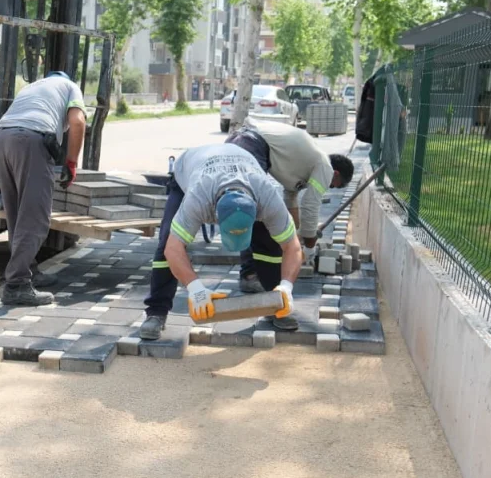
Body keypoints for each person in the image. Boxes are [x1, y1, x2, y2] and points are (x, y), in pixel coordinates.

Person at [140, 143, 301, 340]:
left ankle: (277, 303)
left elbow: (292, 247)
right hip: (190, 170)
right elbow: (173, 250)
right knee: (166, 241)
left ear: (256, 213)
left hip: (242, 166)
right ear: (214, 216)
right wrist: (196, 289)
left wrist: (286, 286)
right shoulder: (198, 199)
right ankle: (156, 312)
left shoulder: (268, 198)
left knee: (270, 244)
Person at [227, 121, 355, 329]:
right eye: (333, 186)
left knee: (252, 214)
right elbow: (310, 205)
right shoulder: (324, 166)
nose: (329, 187)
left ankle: (250, 274)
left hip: (240, 141)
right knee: (262, 227)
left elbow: (291, 198)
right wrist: (309, 246)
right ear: (336, 174)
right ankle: (263, 290)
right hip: (251, 145)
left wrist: (295, 236)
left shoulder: (303, 165)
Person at [0, 70, 87, 306]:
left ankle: (29, 269)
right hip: (30, 140)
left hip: (1, 138)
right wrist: (71, 162)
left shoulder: (32, 87)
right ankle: (17, 285)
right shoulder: (70, 87)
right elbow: (78, 122)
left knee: (16, 214)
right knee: (36, 217)